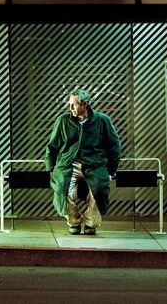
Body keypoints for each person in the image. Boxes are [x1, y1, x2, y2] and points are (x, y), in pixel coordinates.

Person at [45, 89, 121, 235]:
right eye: (69, 105)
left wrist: (111, 169)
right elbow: (52, 145)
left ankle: (90, 223)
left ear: (85, 104)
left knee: (98, 191)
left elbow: (114, 145)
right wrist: (51, 167)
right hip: (68, 164)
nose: (70, 108)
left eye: (74, 105)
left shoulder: (102, 120)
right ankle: (74, 221)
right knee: (63, 189)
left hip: (94, 164)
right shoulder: (63, 120)